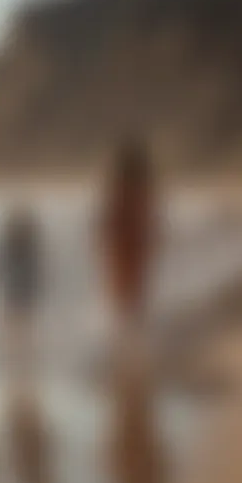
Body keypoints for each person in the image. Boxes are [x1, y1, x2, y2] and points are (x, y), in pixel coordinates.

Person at [97, 140, 155, 364]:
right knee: (134, 298)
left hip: (123, 247)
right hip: (133, 246)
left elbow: (108, 222)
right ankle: (131, 348)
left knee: (123, 300)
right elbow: (147, 221)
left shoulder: (121, 189)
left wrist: (104, 246)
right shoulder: (140, 187)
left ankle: (125, 348)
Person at [0, 207, 41, 383]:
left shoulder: (19, 248)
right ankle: (19, 364)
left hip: (19, 294)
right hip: (19, 294)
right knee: (20, 330)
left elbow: (30, 272)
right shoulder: (21, 248)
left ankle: (19, 364)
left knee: (20, 330)